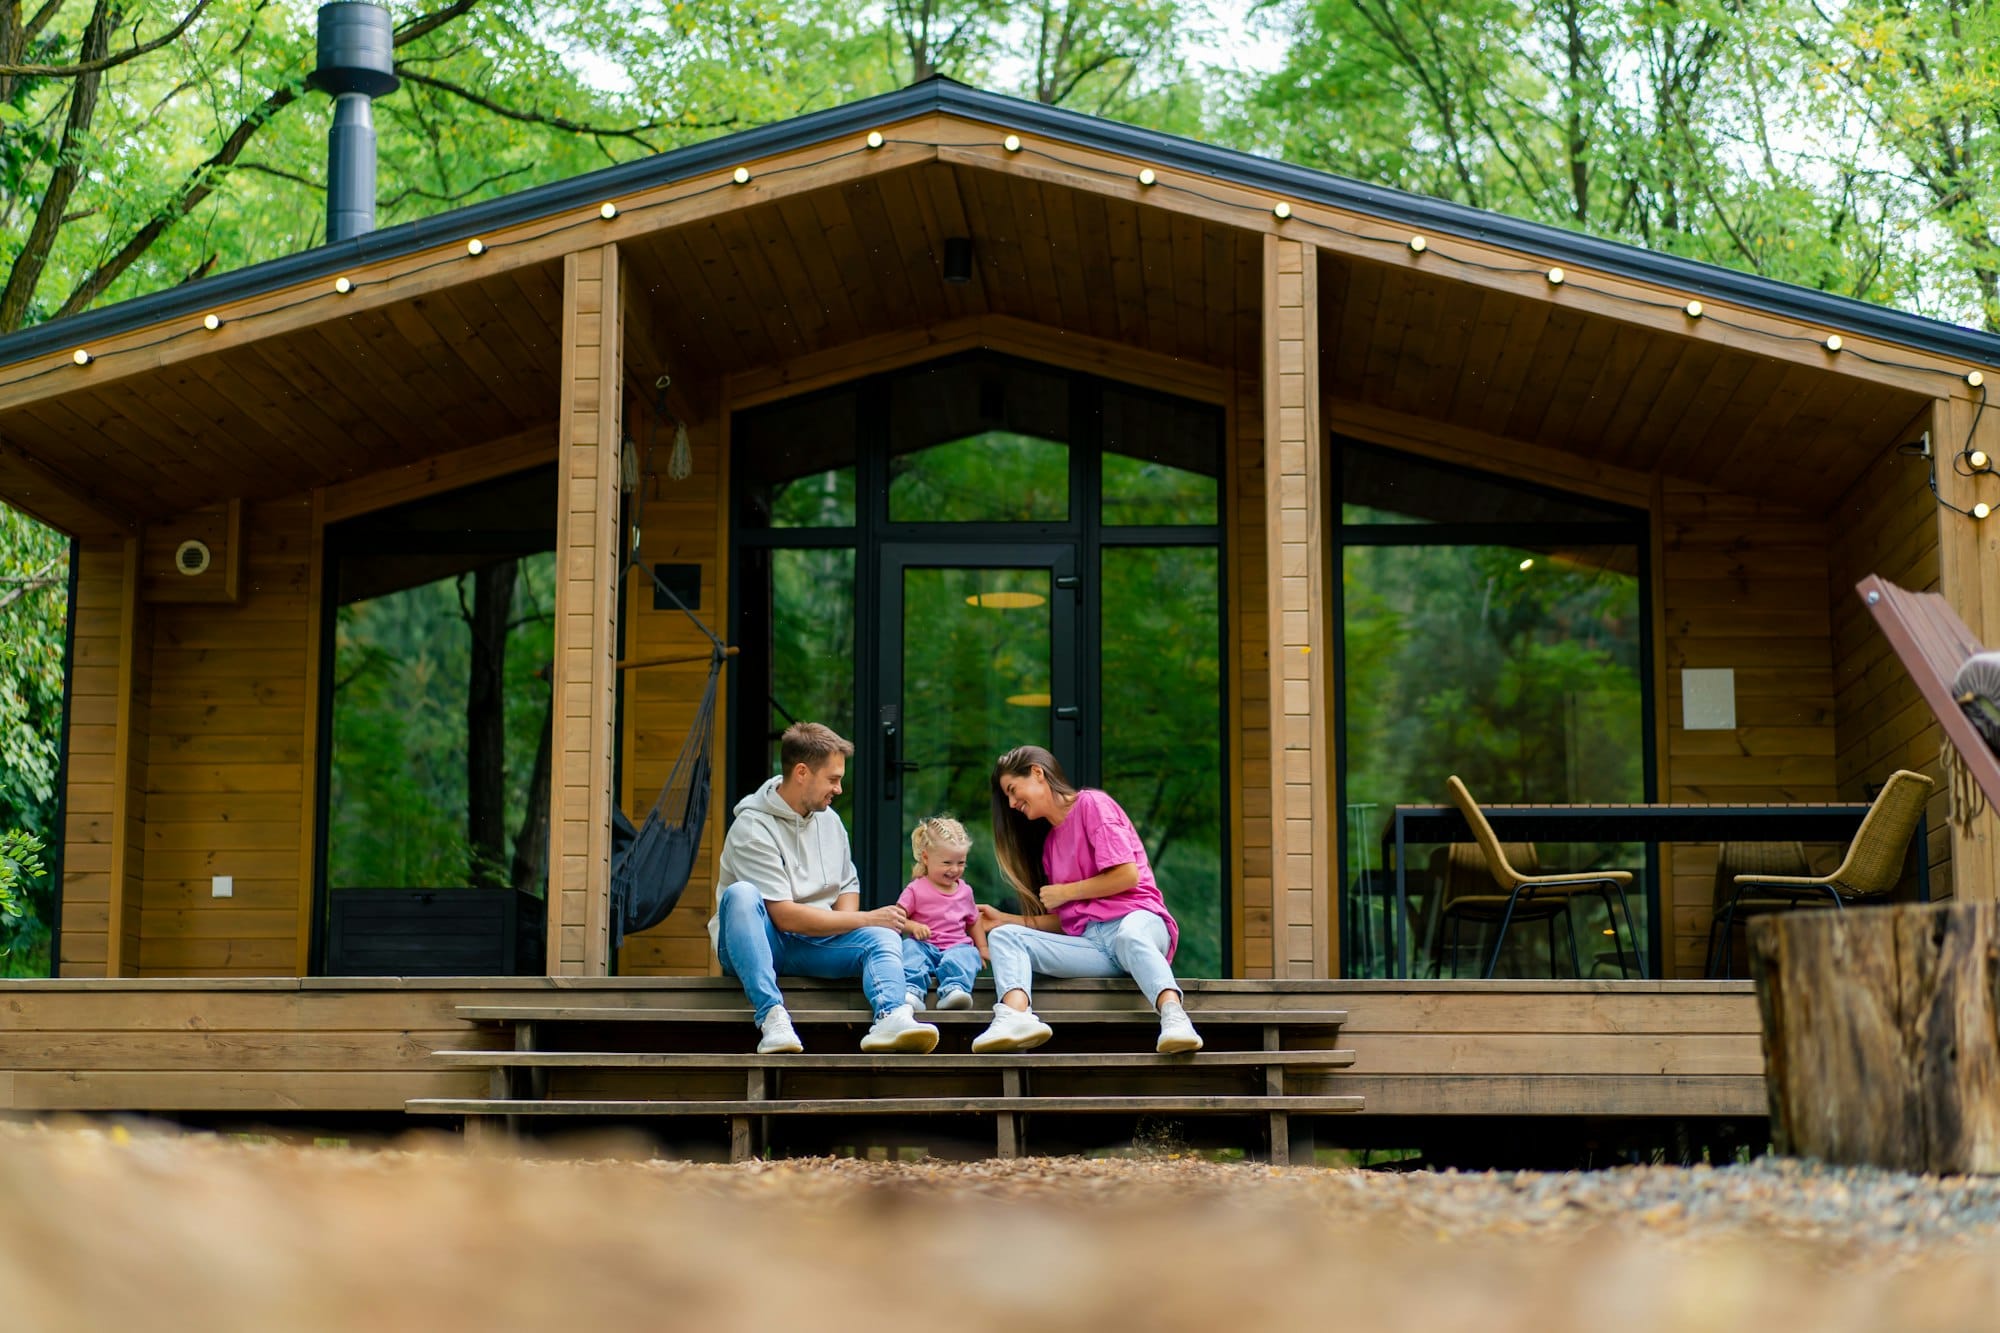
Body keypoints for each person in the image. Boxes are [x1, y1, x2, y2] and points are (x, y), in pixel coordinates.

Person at [709, 722, 939, 1055]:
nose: (840, 789)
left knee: (885, 935)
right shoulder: (751, 827)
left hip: (811, 943)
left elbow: (846, 883)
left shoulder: (829, 820)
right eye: (833, 779)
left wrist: (850, 928)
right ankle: (773, 1018)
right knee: (741, 895)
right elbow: (784, 916)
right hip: (758, 942)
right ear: (802, 772)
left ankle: (891, 1016)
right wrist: (863, 920)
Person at [970, 746, 1202, 1055]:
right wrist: (1006, 920)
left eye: (1013, 790)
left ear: (1037, 773)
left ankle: (1175, 1018)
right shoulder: (1051, 845)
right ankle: (1015, 1016)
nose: (1012, 804)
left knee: (1129, 935)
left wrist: (1066, 891)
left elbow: (1126, 876)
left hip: (1140, 921)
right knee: (1005, 937)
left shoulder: (1093, 804)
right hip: (1095, 945)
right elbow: (1069, 922)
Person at [895, 816, 986, 1011]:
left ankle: (954, 990)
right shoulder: (916, 889)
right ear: (926, 858)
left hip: (956, 946)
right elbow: (897, 917)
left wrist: (983, 948)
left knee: (968, 955)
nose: (954, 870)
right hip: (925, 946)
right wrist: (913, 926)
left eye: (961, 862)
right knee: (909, 949)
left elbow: (974, 920)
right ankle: (912, 991)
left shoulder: (965, 891)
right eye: (947, 863)